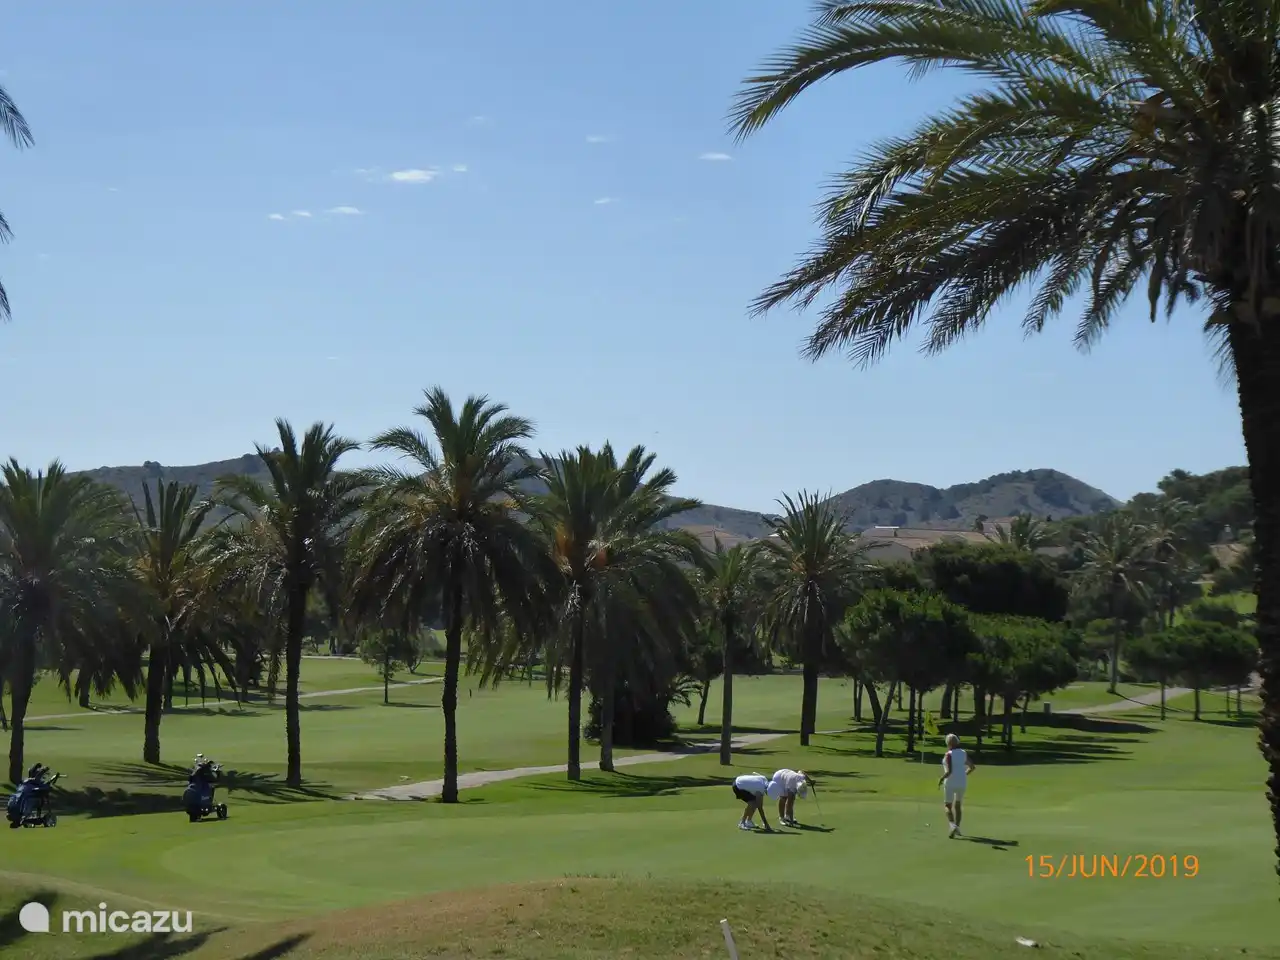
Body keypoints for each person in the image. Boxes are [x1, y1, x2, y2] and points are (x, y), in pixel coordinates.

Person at [937, 733, 975, 837]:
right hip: (962, 782)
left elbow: (949, 771)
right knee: (958, 805)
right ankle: (957, 827)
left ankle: (952, 825)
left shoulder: (948, 754)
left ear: (948, 743)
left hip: (950, 782)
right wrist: (964, 774)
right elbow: (972, 767)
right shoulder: (963, 753)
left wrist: (941, 779)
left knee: (948, 805)